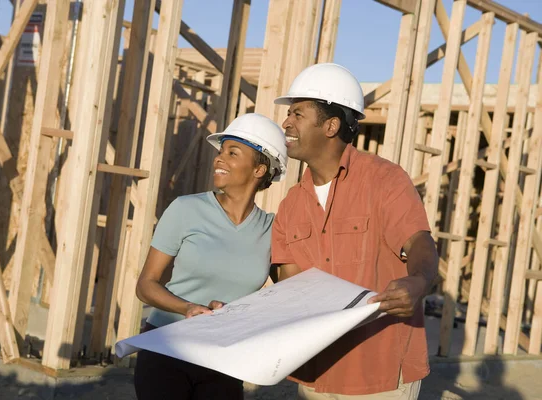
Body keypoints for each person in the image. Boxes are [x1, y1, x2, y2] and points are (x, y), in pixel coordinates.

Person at [271, 63, 439, 399]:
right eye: (288, 114)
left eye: (298, 114)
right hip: (316, 374)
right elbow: (292, 285)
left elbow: (419, 241)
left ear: (331, 125)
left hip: (380, 373)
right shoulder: (291, 204)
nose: (286, 123)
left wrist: (418, 282)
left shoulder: (384, 180)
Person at [133, 113, 287, 400]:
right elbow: (146, 285)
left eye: (233, 152)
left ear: (259, 169)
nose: (219, 158)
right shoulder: (185, 209)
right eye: (220, 152)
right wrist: (187, 308)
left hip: (223, 359)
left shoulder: (272, 229)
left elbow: (288, 297)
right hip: (167, 349)